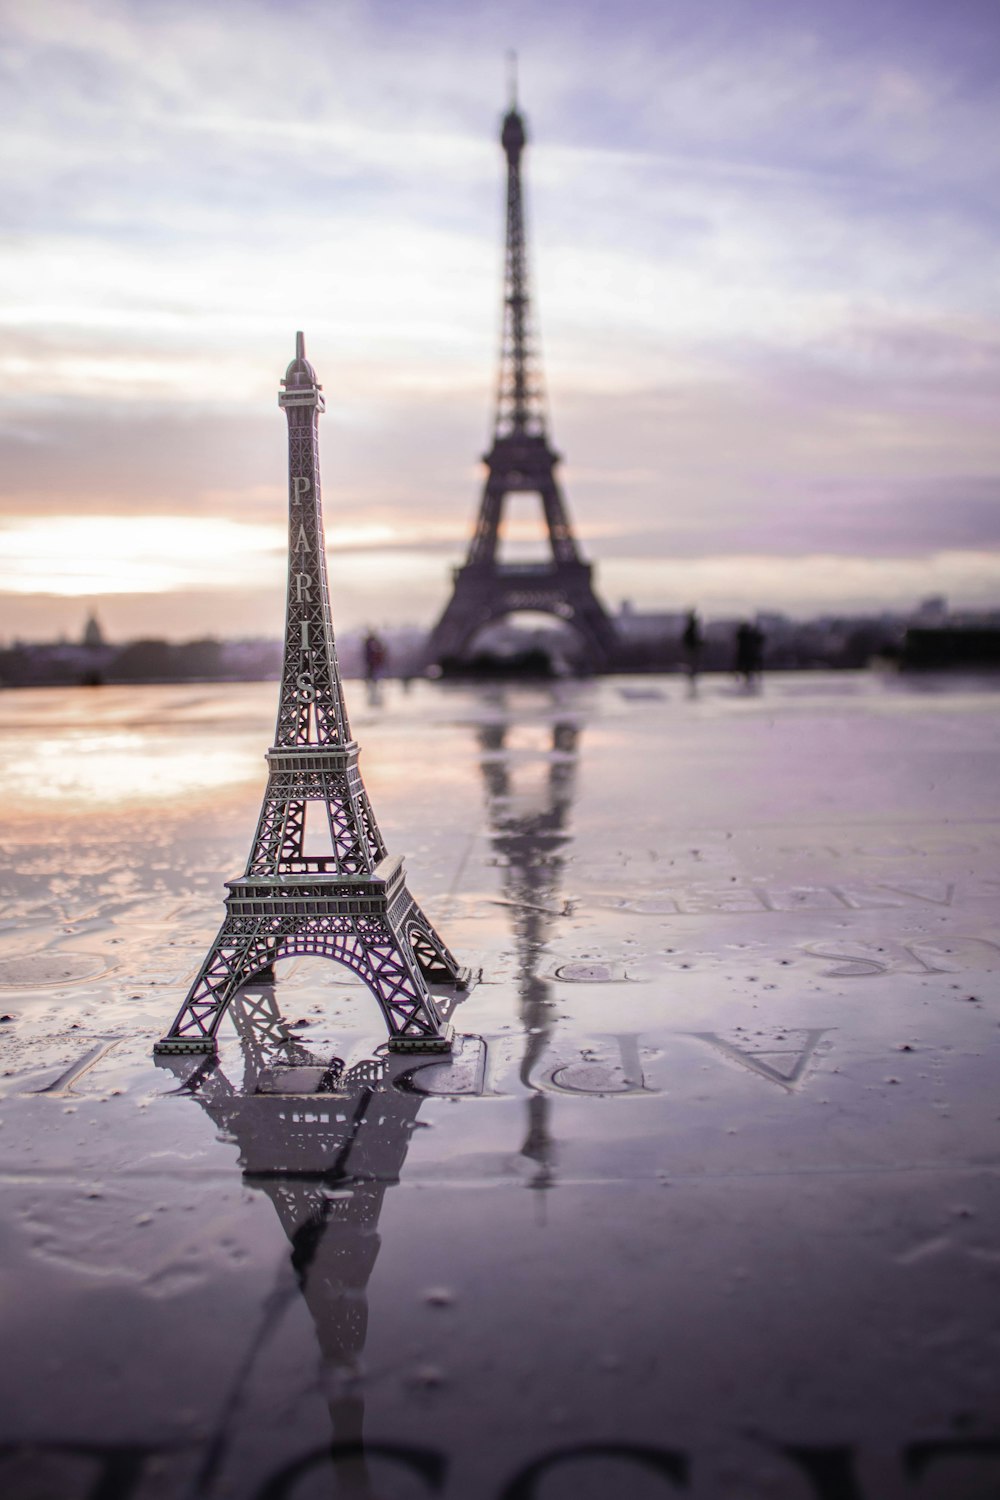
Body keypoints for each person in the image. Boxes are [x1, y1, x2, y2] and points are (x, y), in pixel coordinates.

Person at [681, 608, 703, 680]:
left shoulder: (690, 628)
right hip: (692, 646)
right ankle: (692, 672)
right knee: (692, 660)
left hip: (691, 646)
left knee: (692, 660)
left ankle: (692, 672)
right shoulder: (691, 627)